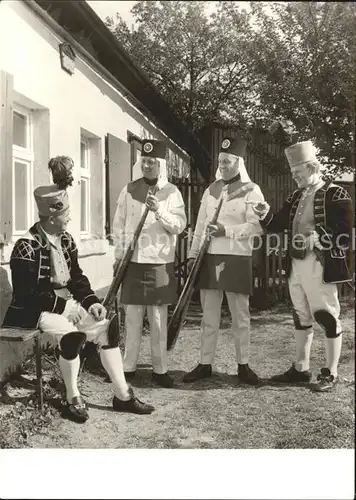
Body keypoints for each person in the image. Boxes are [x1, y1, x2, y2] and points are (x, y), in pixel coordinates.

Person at [2, 183, 155, 422]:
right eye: (66, 214)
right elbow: (27, 294)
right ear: (52, 217)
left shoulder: (66, 241)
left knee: (106, 327)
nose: (70, 217)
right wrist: (65, 308)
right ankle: (73, 397)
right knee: (72, 335)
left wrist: (90, 301)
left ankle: (122, 395)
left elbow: (77, 278)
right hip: (33, 312)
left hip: (66, 305)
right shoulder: (26, 246)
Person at [248, 140, 353, 391]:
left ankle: (331, 373)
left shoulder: (335, 193)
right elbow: (278, 223)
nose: (294, 176)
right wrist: (264, 213)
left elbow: (345, 232)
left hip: (320, 264)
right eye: (293, 172)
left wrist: (316, 237)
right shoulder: (296, 196)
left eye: (298, 171)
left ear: (313, 166)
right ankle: (301, 368)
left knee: (326, 316)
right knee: (301, 315)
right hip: (295, 263)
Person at [183, 136, 265, 385]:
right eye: (221, 161)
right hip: (210, 257)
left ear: (239, 162)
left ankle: (244, 365)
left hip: (237, 258)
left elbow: (256, 227)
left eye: (228, 161)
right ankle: (205, 363)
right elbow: (199, 225)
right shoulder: (211, 189)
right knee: (209, 315)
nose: (224, 165)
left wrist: (226, 232)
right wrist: (192, 254)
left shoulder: (252, 190)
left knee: (240, 315)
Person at [113, 139, 187, 388]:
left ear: (161, 165)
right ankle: (128, 366)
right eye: (143, 161)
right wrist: (118, 257)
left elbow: (179, 225)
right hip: (133, 262)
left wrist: (159, 211)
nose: (146, 166)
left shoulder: (172, 192)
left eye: (151, 162)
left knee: (157, 319)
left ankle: (160, 369)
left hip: (159, 263)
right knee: (132, 317)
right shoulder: (129, 189)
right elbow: (119, 225)